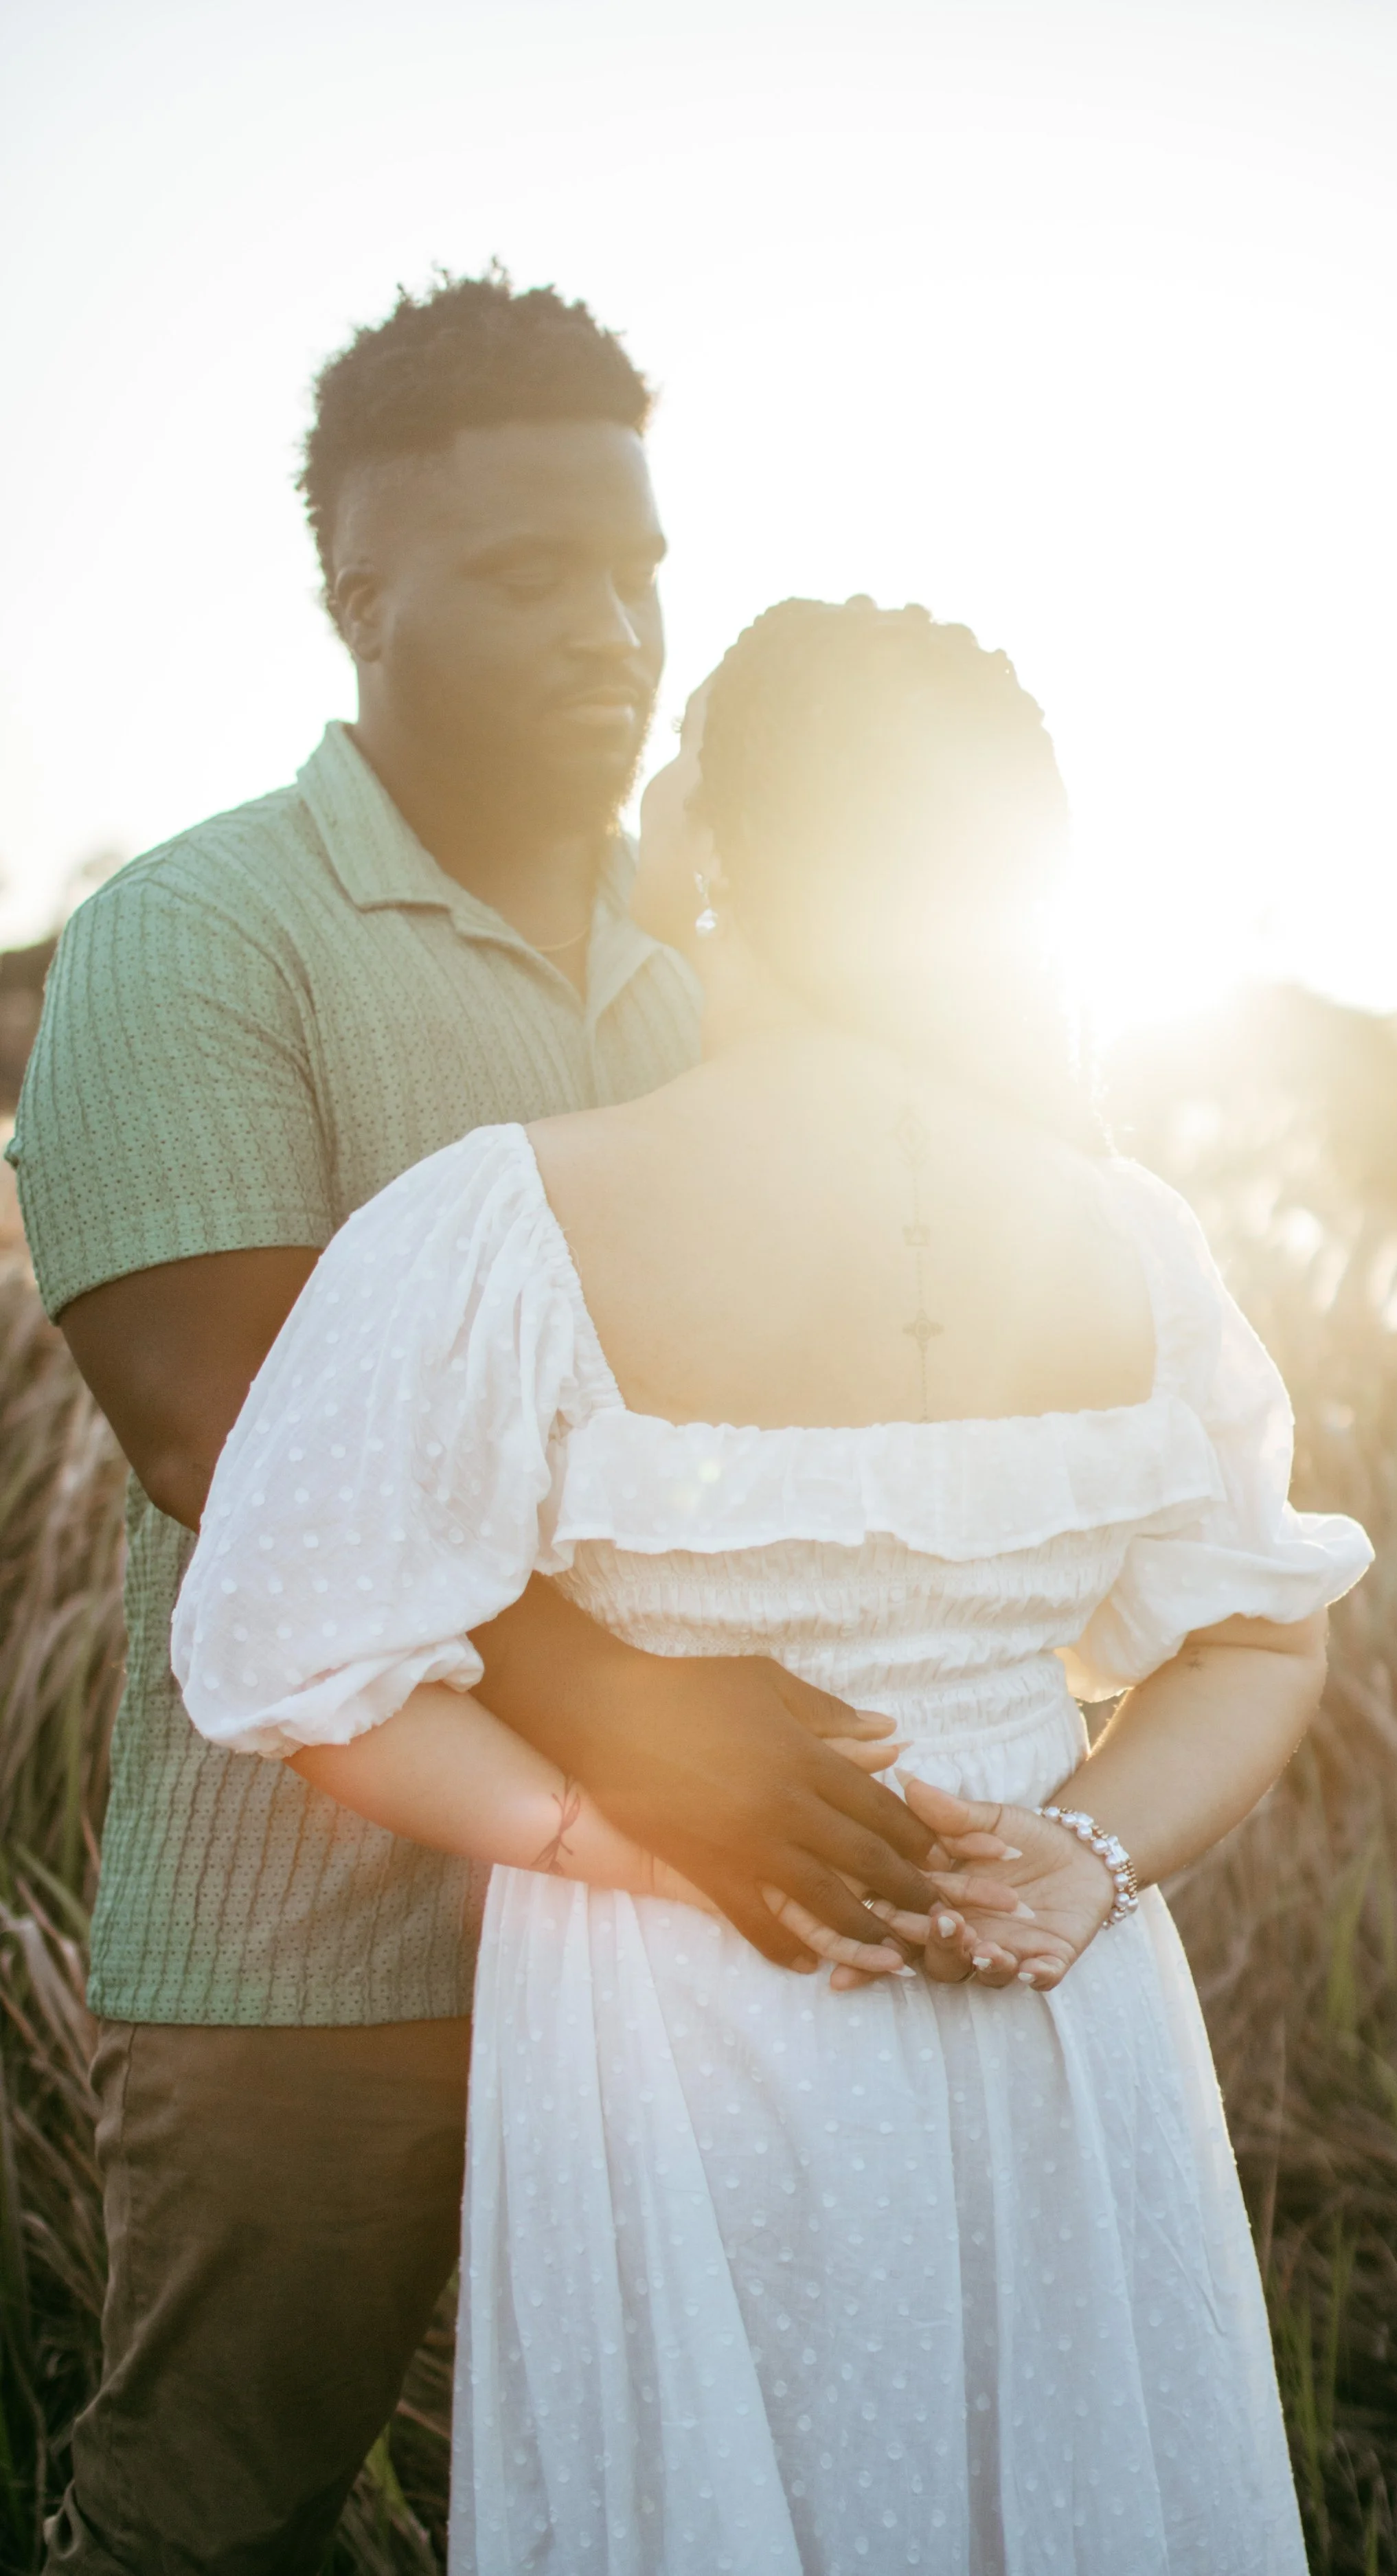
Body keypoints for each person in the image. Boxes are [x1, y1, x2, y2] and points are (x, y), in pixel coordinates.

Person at [175, 596, 1374, 2573]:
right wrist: (1080, 1849)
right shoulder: (1127, 1237)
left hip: (683, 1998)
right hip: (1052, 2009)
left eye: (684, 762)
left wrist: (598, 1829)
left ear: (724, 846)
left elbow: (304, 1660)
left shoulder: (505, 1216)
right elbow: (1260, 1626)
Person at [11, 275, 945, 2575]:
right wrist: (626, 1709)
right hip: (308, 1950)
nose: (610, 627)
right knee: (211, 2514)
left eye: (636, 569)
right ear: (359, 592)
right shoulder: (193, 937)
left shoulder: (729, 968)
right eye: (530, 575)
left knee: (690, 2498)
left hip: (678, 1925)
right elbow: (222, 1426)